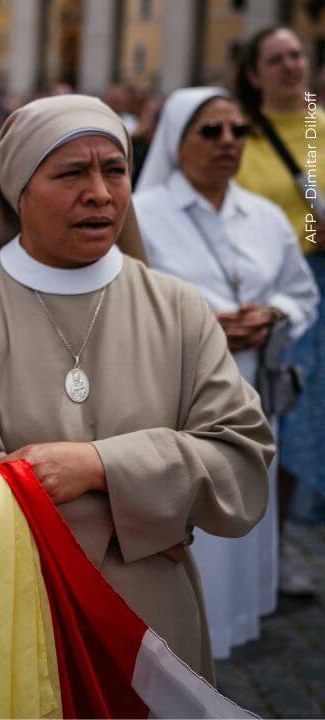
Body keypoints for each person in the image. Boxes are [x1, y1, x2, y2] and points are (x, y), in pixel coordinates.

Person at [0, 95, 275, 718]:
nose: (99, 193)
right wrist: (150, 513)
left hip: (151, 627)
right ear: (17, 189)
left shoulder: (179, 308)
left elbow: (241, 459)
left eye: (114, 170)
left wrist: (97, 467)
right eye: (71, 172)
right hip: (2, 615)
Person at [134, 87, 319, 659]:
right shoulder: (142, 214)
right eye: (211, 131)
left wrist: (275, 316)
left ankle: (224, 638)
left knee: (238, 526)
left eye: (239, 130)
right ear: (176, 140)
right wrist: (203, 324)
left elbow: (302, 292)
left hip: (251, 394)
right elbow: (121, 301)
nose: (229, 142)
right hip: (172, 399)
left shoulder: (265, 216)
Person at [234, 26, 325, 555]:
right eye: (276, 59)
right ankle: (261, 539)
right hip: (266, 289)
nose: (291, 66)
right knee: (274, 412)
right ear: (254, 74)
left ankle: (291, 536)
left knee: (311, 415)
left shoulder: (319, 126)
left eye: (296, 55)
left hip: (319, 284)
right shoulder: (240, 135)